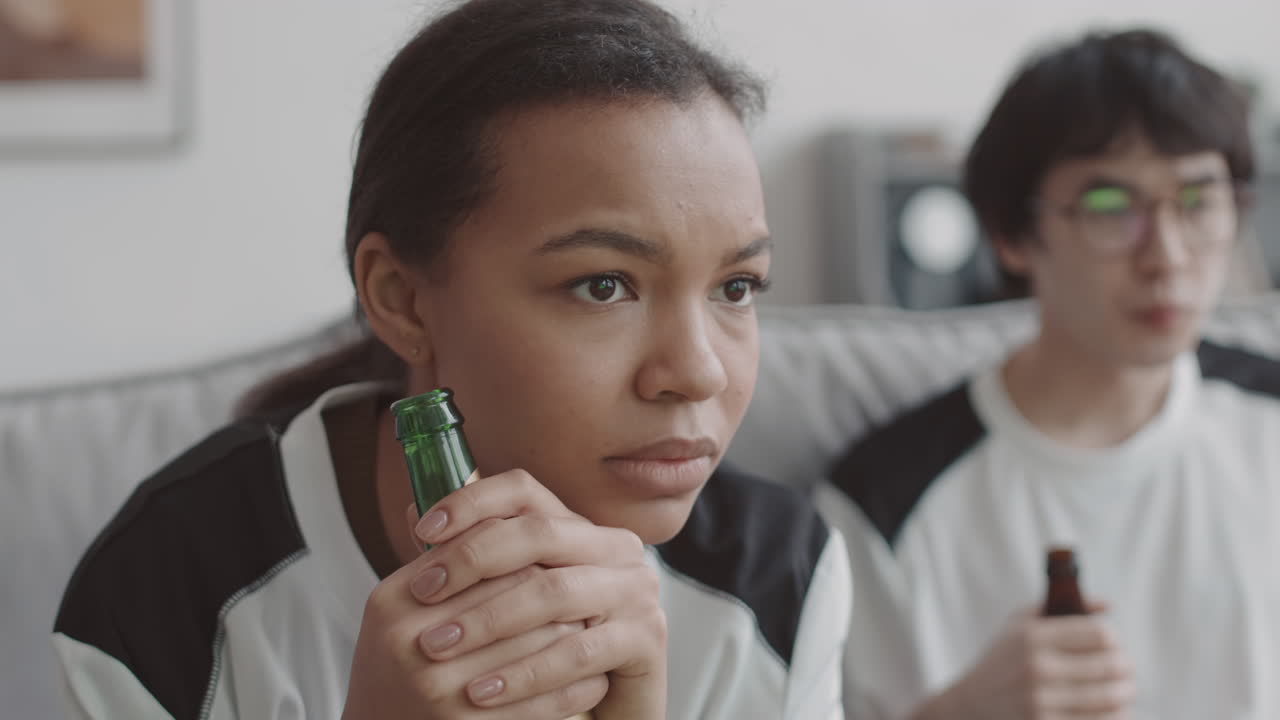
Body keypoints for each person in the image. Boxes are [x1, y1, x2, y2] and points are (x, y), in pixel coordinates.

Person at [51, 1, 851, 718]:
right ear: (400, 297)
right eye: (604, 285)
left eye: (738, 287)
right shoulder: (173, 580)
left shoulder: (780, 583)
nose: (700, 372)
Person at [818, 28, 1279, 720]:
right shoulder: (882, 505)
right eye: (1109, 208)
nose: (1168, 256)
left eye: (1197, 202)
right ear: (1011, 235)